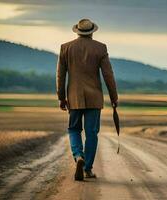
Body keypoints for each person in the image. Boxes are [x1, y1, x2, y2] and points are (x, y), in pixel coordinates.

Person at [56, 19, 118, 181]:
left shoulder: (66, 48)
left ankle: (78, 156)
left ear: (77, 31)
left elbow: (60, 76)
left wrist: (61, 98)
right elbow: (108, 75)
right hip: (94, 98)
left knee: (74, 130)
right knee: (92, 133)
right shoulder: (100, 48)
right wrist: (114, 97)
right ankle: (87, 168)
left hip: (74, 97)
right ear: (92, 32)